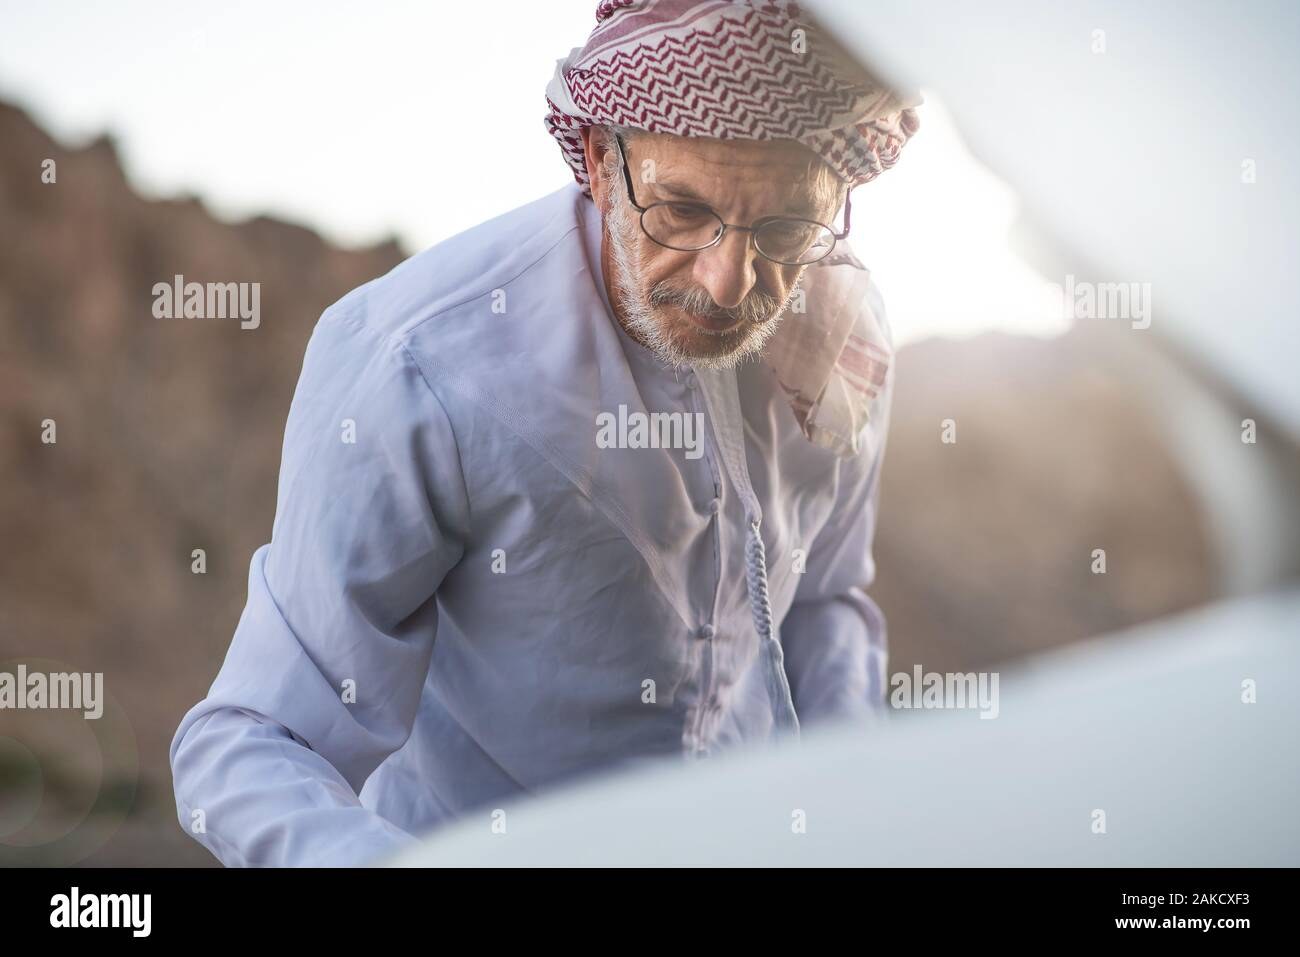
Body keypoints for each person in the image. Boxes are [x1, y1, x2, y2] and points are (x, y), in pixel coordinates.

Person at [170, 0, 920, 866]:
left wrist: (860, 810)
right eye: (680, 209)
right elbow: (254, 742)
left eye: (787, 227)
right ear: (602, 161)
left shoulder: (841, 334)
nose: (726, 283)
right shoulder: (417, 361)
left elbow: (824, 601)